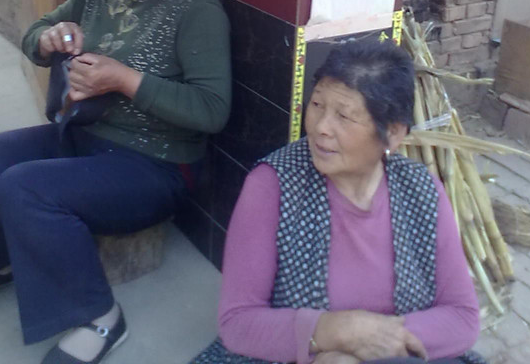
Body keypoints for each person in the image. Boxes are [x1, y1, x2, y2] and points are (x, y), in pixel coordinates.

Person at [0, 0, 232, 364]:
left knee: (25, 189)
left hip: (156, 165)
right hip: (85, 136)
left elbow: (212, 110)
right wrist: (49, 38)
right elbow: (37, 32)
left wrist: (124, 79)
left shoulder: (196, 8)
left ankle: (100, 317)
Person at [190, 39, 484, 364]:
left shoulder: (420, 190)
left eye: (343, 116)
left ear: (393, 133)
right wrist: (332, 332)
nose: (321, 128)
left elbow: (462, 317)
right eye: (317, 105)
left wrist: (375, 345)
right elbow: (238, 323)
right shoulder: (273, 186)